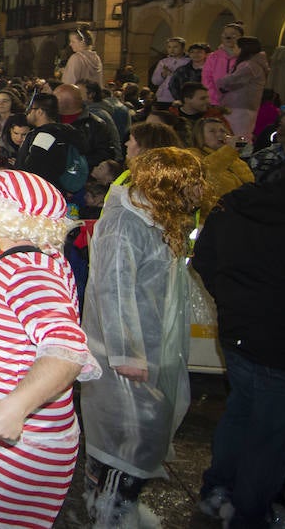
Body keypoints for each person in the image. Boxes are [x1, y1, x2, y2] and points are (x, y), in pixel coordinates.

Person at [0, 170, 100, 529]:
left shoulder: (26, 270)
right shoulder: (38, 258)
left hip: (24, 446)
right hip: (16, 438)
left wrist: (16, 406)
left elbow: (66, 348)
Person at [192, 146, 285, 527]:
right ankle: (248, 516)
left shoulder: (236, 202)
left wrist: (233, 300)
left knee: (240, 414)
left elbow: (205, 258)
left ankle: (216, 491)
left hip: (239, 337)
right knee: (270, 439)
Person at [81, 148, 202, 526]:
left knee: (133, 434)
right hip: (128, 356)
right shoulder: (126, 223)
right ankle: (111, 513)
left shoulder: (158, 217)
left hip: (151, 346)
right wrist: (127, 354)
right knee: (128, 439)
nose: (200, 190)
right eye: (192, 182)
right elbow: (112, 290)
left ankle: (107, 502)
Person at [188, 116, 253, 213]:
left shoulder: (236, 160)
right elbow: (206, 170)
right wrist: (229, 150)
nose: (219, 134)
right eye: (212, 131)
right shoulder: (191, 155)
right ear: (200, 135)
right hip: (210, 216)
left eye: (223, 131)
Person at [218, 36, 270, 141]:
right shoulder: (254, 64)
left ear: (243, 49)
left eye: (235, 47)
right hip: (243, 106)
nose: (233, 49)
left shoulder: (249, 66)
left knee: (237, 137)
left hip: (240, 107)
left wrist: (220, 81)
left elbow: (231, 81)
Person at [203, 22, 246, 110]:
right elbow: (206, 78)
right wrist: (214, 98)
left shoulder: (246, 57)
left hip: (239, 103)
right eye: (225, 34)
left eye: (233, 35)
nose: (228, 37)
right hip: (216, 102)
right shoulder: (213, 56)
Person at [150, 37, 190, 108]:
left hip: (179, 98)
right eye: (169, 47)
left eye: (175, 47)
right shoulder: (163, 62)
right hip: (162, 98)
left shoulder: (188, 62)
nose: (172, 50)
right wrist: (163, 74)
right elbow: (155, 81)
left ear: (183, 48)